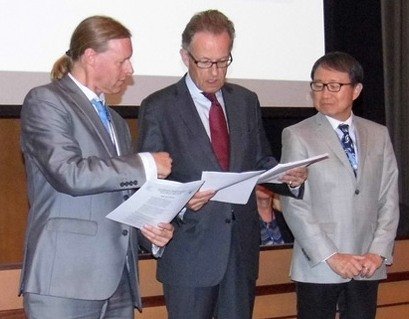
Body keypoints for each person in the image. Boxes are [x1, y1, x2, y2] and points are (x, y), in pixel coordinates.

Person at [137, 9, 307, 319]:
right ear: (185, 56)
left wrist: (287, 177)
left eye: (223, 61)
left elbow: (260, 160)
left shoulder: (245, 100)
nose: (215, 72)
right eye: (205, 62)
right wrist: (185, 203)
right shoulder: (159, 107)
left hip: (240, 252)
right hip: (189, 252)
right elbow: (151, 184)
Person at [19, 15, 174, 319]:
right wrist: (145, 163)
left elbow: (122, 197)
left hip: (118, 282)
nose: (130, 70)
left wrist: (149, 229)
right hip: (64, 280)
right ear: (91, 56)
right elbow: (70, 173)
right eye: (123, 61)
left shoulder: (116, 121)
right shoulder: (46, 101)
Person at [280, 51, 399, 319]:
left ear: (356, 90)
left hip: (367, 263)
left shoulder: (378, 134)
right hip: (320, 264)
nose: (325, 93)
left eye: (335, 86)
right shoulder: (298, 135)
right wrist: (332, 256)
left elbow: (388, 198)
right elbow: (294, 204)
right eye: (318, 85)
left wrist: (378, 253)